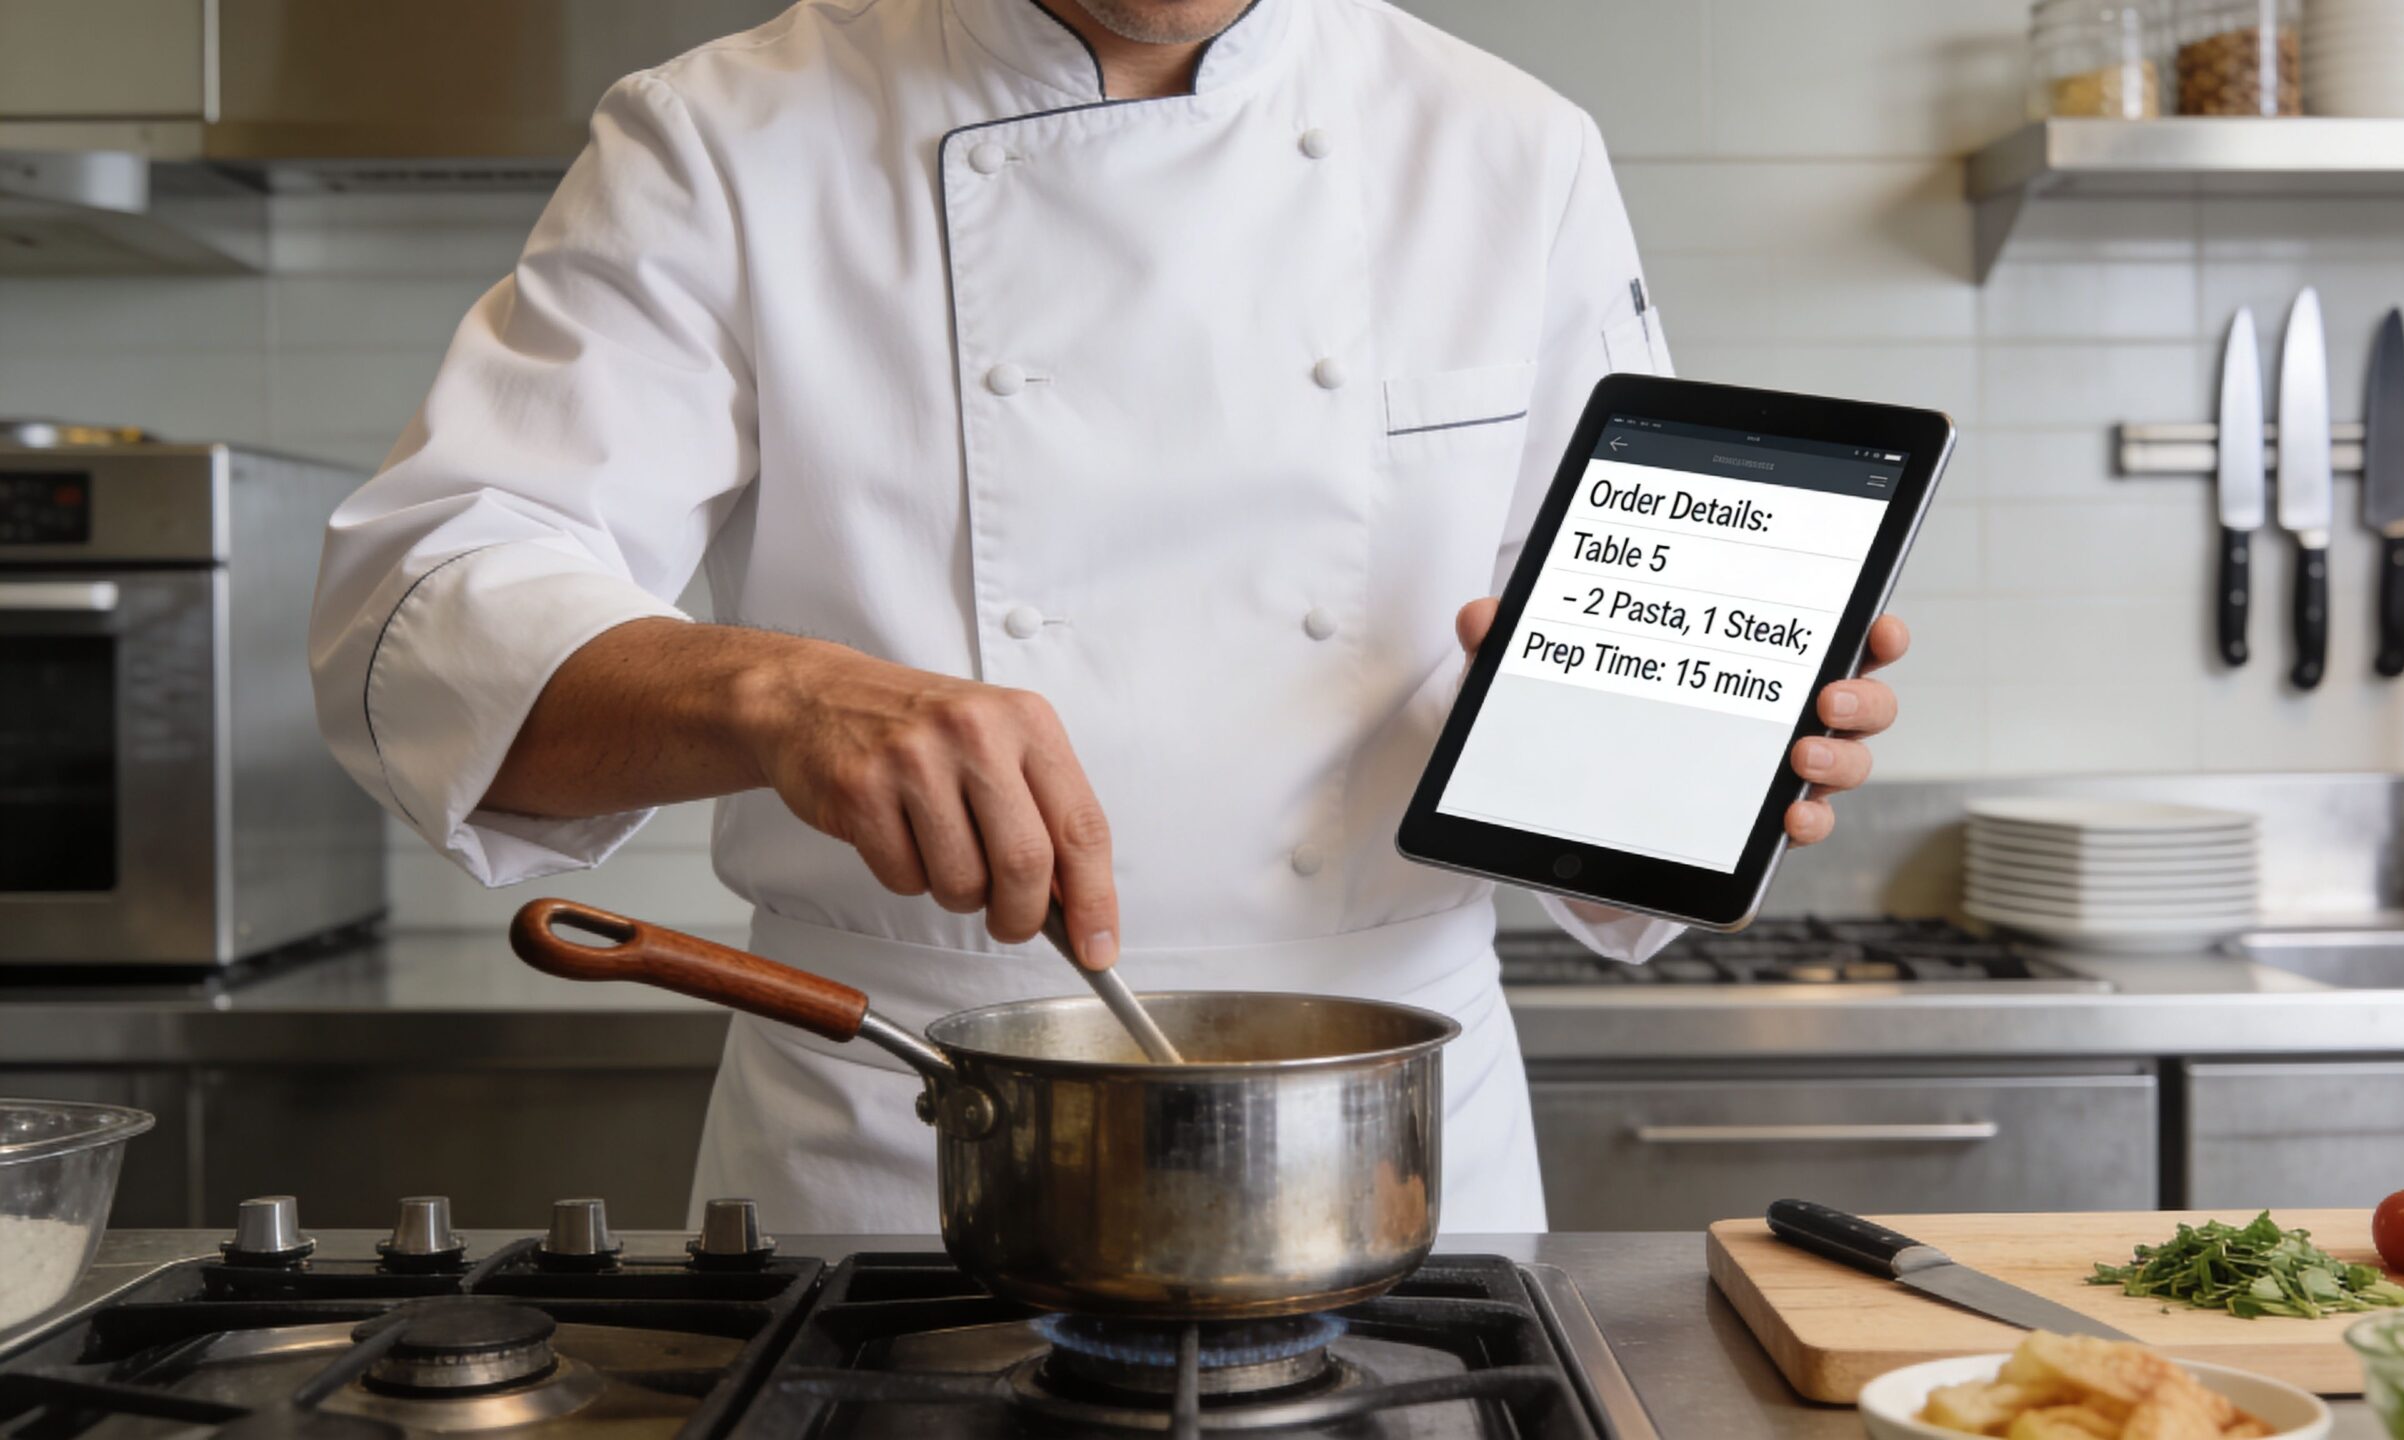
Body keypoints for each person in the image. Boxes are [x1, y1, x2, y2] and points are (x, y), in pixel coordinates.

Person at [308, 0, 1908, 1233]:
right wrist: (776, 696)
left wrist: (1712, 743)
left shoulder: (1507, 145)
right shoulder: (728, 133)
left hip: (1394, 1135)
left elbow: (1587, 689)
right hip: (913, 1130)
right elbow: (427, 602)